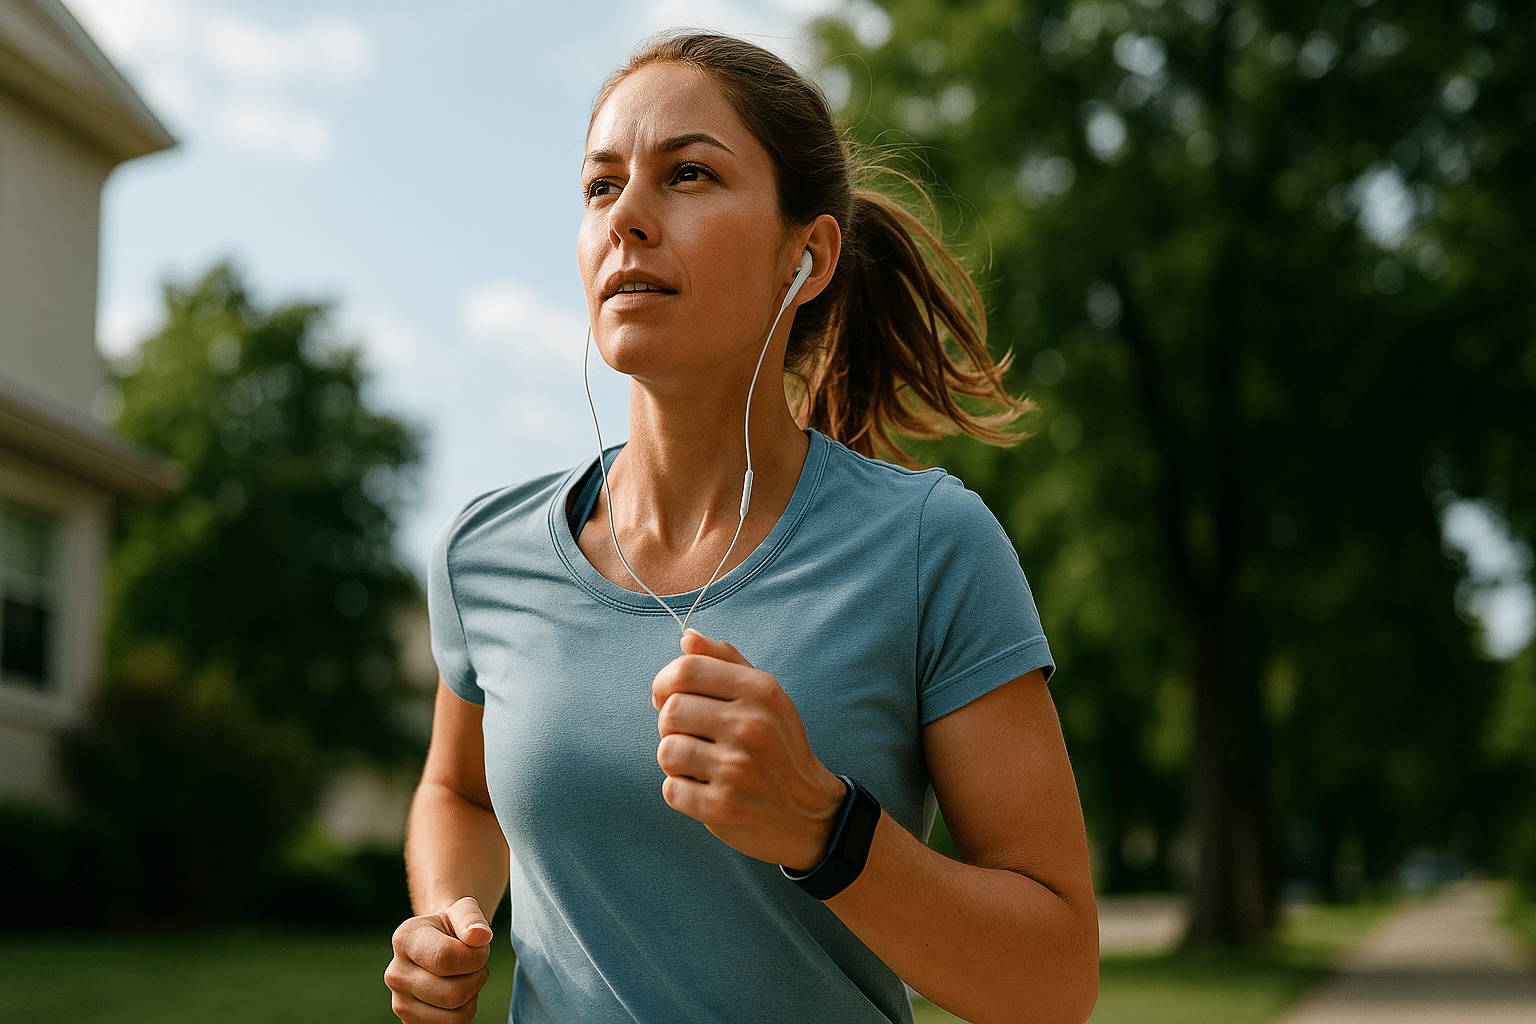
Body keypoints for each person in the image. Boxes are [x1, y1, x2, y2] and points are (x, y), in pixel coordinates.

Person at [385, 31, 1098, 1024]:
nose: (626, 216)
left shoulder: (932, 545)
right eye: (600, 187)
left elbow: (1056, 981)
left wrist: (823, 826)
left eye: (687, 174)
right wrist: (446, 916)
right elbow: (457, 792)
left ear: (805, 256)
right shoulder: (484, 554)